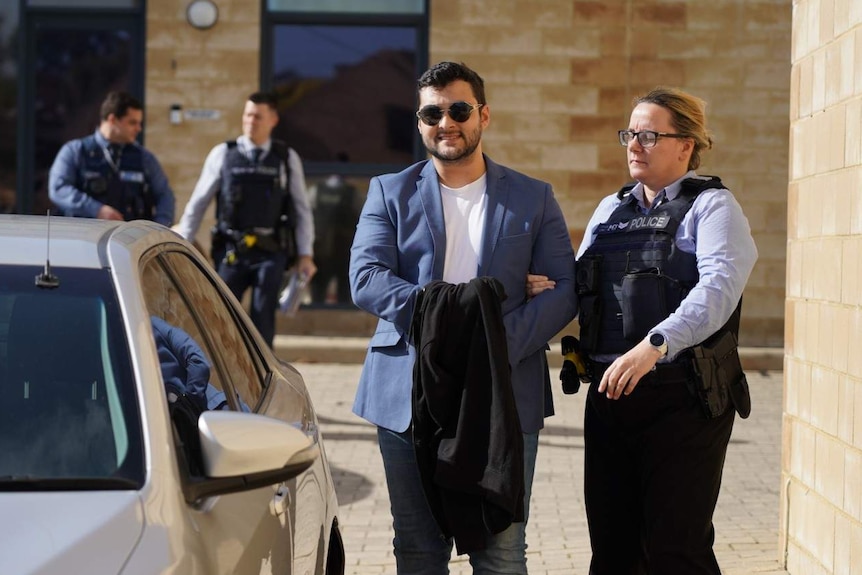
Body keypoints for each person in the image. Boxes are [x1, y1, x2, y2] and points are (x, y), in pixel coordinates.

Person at [349, 61, 577, 574]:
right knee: (418, 550)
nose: (445, 122)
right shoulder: (389, 191)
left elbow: (565, 291)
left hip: (502, 393)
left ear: (484, 115)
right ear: (419, 122)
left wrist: (490, 343)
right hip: (408, 392)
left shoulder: (532, 197)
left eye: (458, 109)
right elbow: (366, 279)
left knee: (500, 554)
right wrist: (457, 323)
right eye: (432, 113)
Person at [532, 87, 758, 574]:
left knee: (676, 550)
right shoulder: (609, 210)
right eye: (631, 134)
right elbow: (582, 283)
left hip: (684, 398)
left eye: (649, 135)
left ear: (686, 145)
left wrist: (654, 346)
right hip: (612, 396)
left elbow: (719, 287)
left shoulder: (713, 207)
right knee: (613, 551)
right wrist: (540, 287)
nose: (635, 144)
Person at [175, 91, 317, 347]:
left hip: (271, 251)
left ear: (273, 120)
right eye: (248, 115)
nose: (251, 121)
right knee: (220, 314)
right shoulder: (223, 154)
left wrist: (305, 255)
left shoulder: (285, 158)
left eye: (258, 116)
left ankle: (263, 380)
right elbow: (198, 203)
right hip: (232, 250)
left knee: (263, 317)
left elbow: (301, 208)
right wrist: (183, 241)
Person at [48, 91, 175, 226]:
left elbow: (165, 196)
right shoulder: (76, 151)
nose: (138, 128)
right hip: (83, 237)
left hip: (130, 241)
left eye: (139, 123)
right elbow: (58, 189)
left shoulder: (144, 158)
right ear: (112, 120)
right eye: (132, 123)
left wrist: (159, 229)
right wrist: (97, 210)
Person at [309, 153, 359, 305]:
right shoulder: (317, 190)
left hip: (341, 251)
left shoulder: (352, 193)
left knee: (342, 292)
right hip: (323, 250)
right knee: (319, 291)